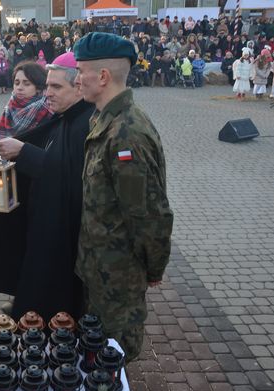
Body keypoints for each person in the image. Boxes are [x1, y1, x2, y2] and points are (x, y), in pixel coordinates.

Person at [0, 52, 95, 322]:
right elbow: (44, 155)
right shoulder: (64, 115)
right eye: (47, 85)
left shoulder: (86, 123)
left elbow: (73, 177)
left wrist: (23, 151)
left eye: (55, 87)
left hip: (63, 240)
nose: (47, 93)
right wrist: (1, 155)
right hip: (43, 227)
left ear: (79, 86)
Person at [74, 32, 174, 362]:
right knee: (98, 353)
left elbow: (148, 212)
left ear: (102, 76)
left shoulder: (127, 131)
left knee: (113, 358)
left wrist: (154, 266)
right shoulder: (105, 118)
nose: (77, 79)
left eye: (80, 71)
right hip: (100, 268)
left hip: (119, 276)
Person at [0, 62, 52, 138]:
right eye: (17, 83)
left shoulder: (48, 109)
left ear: (38, 87)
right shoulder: (10, 106)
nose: (19, 87)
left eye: (26, 84)